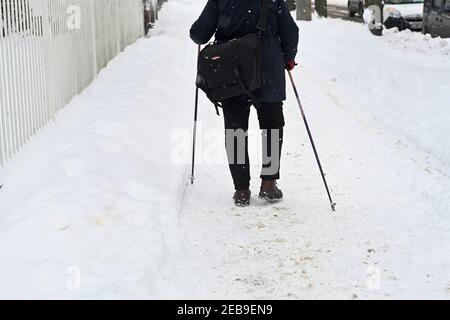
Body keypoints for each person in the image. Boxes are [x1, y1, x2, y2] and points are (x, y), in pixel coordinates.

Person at [190, 0, 299, 207]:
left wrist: (199, 31)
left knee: (235, 129)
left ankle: (241, 190)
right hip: (268, 68)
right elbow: (290, 32)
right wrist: (288, 57)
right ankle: (268, 183)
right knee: (272, 127)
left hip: (233, 71)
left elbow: (199, 34)